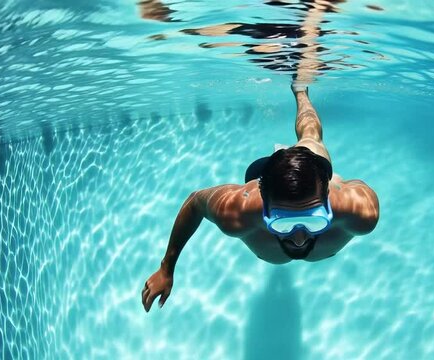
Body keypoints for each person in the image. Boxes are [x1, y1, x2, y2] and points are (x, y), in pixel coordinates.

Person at [142, 0, 379, 312]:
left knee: (311, 139)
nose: (297, 238)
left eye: (313, 219)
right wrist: (167, 267)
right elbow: (196, 201)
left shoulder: (359, 212)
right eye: (281, 223)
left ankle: (301, 91)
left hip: (317, 177)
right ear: (261, 201)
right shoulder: (238, 211)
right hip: (272, 175)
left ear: (329, 197)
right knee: (308, 142)